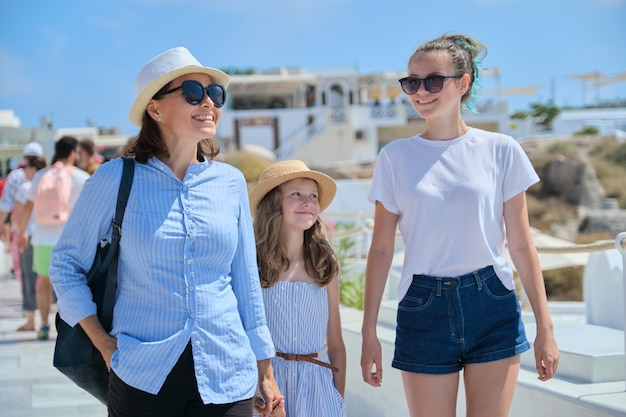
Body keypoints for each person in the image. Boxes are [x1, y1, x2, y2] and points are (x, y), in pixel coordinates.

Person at [48, 46, 285, 417]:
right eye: (192, 91)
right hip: (143, 374)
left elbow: (246, 281)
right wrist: (104, 345)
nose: (208, 101)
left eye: (215, 93)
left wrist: (265, 370)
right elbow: (65, 265)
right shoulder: (115, 178)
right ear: (154, 109)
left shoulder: (230, 182)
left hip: (228, 372)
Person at [360, 34, 559, 417]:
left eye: (433, 80)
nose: (420, 92)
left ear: (462, 83)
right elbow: (382, 250)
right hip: (422, 307)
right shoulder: (395, 157)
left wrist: (545, 327)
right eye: (411, 83)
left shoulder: (501, 149)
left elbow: (521, 244)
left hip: (492, 303)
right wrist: (369, 333)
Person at [249, 160, 347, 417]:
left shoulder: (325, 265)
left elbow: (335, 342)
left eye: (313, 196)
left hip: (318, 387)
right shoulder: (252, 263)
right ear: (273, 204)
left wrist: (338, 398)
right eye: (297, 194)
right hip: (268, 385)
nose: (308, 202)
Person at [17, 136, 90, 340]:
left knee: (44, 283)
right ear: (73, 153)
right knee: (72, 284)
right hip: (70, 239)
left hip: (42, 237)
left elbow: (28, 205)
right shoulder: (81, 177)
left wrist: (22, 231)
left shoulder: (41, 175)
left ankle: (44, 324)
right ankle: (70, 328)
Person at [12, 154, 47, 331]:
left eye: (26, 167)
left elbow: (18, 215)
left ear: (33, 169)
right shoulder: (47, 184)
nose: (23, 170)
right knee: (46, 280)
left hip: (28, 236)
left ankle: (31, 320)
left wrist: (19, 231)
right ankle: (46, 319)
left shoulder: (26, 187)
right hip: (46, 236)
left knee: (28, 277)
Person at [0, 142, 45, 280]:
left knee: (22, 270)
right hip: (45, 229)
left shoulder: (15, 176)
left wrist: (2, 226)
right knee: (42, 274)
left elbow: (6, 204)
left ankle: (29, 301)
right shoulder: (47, 175)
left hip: (20, 227)